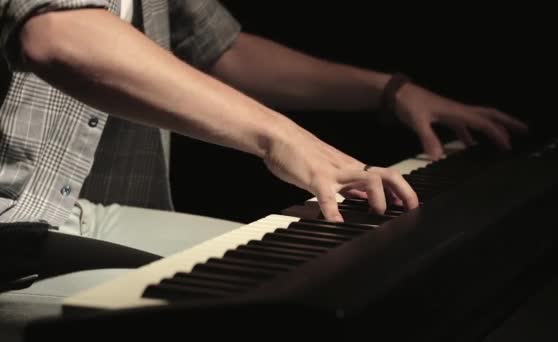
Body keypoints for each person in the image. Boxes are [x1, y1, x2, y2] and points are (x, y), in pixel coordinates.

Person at [0, 0, 527, 337]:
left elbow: (219, 50)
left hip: (83, 212)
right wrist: (281, 137)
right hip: (12, 221)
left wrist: (390, 91)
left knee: (323, 278)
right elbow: (59, 35)